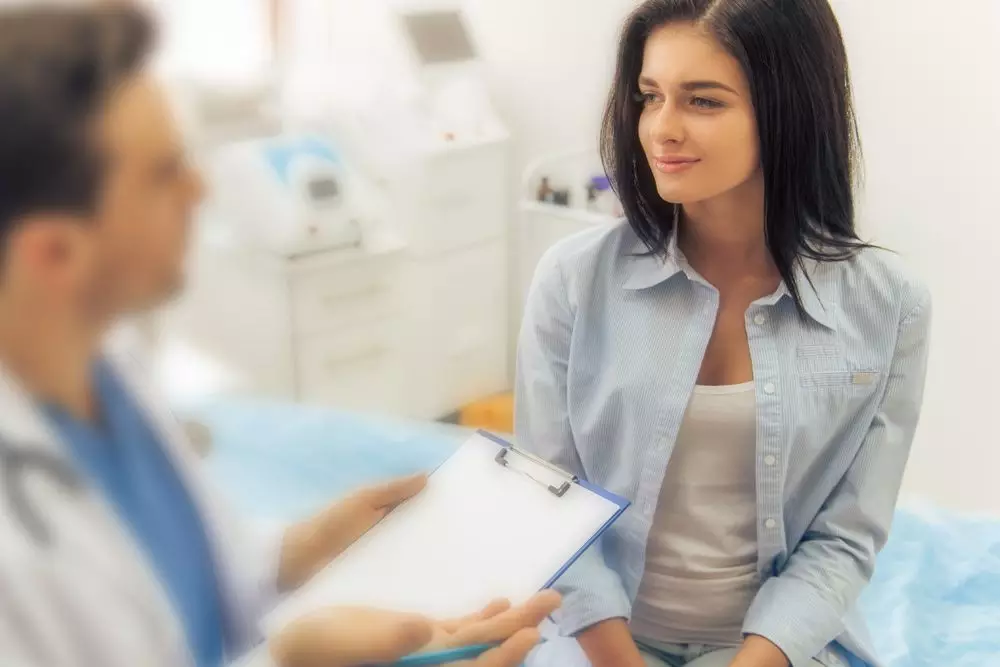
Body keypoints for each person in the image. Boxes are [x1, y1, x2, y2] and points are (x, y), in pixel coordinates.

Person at [0, 5, 558, 667]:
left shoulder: (106, 370)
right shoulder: (17, 555)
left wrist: (309, 542)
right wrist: (292, 661)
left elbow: (185, 571)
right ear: (55, 252)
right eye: (163, 172)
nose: (200, 188)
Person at [516, 1, 931, 666]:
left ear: (789, 108)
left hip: (770, 651)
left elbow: (844, 538)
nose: (661, 129)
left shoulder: (890, 304)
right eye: (650, 97)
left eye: (703, 101)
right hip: (595, 640)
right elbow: (546, 502)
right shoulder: (572, 279)